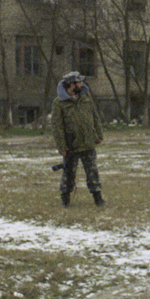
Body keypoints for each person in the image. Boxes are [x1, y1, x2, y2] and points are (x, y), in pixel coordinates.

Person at [51, 70, 105, 207]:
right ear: (71, 85)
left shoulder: (86, 97)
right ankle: (65, 199)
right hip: (71, 145)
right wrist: (62, 147)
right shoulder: (59, 103)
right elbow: (57, 127)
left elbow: (95, 116)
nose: (82, 84)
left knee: (93, 172)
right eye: (79, 82)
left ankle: (98, 198)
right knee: (68, 174)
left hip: (88, 142)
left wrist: (99, 134)